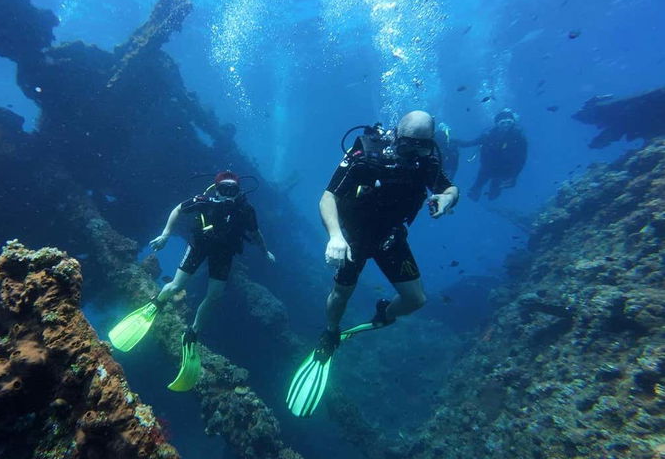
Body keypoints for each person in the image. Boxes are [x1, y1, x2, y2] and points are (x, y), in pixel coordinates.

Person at [286, 111, 459, 417]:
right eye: (409, 143)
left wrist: (446, 199)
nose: (415, 152)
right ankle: (329, 333)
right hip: (355, 236)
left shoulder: (427, 161)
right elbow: (328, 197)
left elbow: (449, 188)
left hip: (391, 237)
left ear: (430, 143)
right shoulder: (367, 155)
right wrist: (335, 237)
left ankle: (384, 312)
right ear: (396, 134)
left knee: (415, 299)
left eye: (423, 145)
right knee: (342, 293)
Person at [109, 171, 275, 391]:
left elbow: (256, 233)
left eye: (231, 190)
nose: (226, 195)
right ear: (216, 189)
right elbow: (178, 209)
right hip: (199, 246)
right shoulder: (203, 201)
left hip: (223, 253)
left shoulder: (245, 210)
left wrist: (265, 251)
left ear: (238, 191)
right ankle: (156, 304)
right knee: (176, 285)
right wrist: (166, 234)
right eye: (222, 190)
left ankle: (193, 331)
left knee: (214, 296)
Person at [454, 108, 528, 201]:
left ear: (513, 122)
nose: (506, 125)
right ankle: (477, 203)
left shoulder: (519, 137)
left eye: (509, 122)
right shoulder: (488, 135)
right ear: (497, 124)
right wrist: (454, 142)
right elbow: (470, 143)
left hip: (505, 170)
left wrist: (514, 176)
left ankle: (489, 206)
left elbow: (522, 159)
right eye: (503, 123)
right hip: (487, 168)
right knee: (475, 189)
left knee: (493, 195)